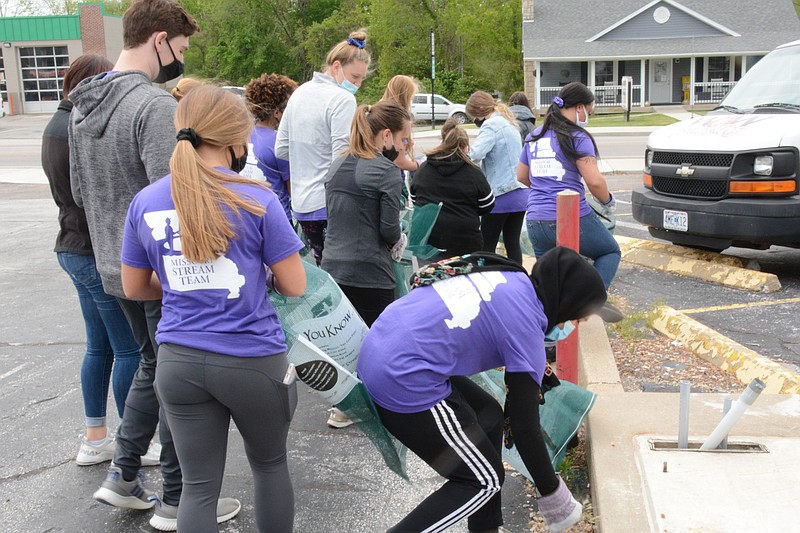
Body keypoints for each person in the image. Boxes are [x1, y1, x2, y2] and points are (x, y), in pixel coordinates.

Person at [68, 1, 238, 529]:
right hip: (163, 271)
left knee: (151, 365)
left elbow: (78, 191)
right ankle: (176, 499)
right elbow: (180, 198)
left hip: (113, 265)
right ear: (159, 40)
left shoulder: (81, 105)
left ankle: (122, 476)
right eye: (181, 50)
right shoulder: (152, 106)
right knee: (176, 379)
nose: (181, 60)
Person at [121, 84, 306, 533]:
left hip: (178, 361)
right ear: (235, 141)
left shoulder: (146, 201)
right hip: (251, 359)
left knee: (199, 488)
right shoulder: (256, 198)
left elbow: (134, 287)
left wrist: (186, 284)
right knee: (269, 467)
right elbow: (295, 285)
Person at [357, 246, 606, 533]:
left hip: (385, 343)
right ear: (567, 304)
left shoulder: (511, 278)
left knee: (489, 414)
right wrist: (555, 496)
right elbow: (525, 428)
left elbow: (512, 414)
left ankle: (484, 528)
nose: (573, 327)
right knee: (483, 481)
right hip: (401, 376)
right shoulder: (526, 327)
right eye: (577, 319)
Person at [42, 53, 160, 468]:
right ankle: (134, 439)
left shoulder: (59, 125)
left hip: (72, 247)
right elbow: (83, 194)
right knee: (129, 350)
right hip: (93, 251)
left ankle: (95, 436)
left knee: (100, 347)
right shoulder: (74, 127)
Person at [276, 29, 371, 266]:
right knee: (343, 275)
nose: (357, 85)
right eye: (355, 77)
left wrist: (307, 159)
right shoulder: (342, 99)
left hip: (301, 204)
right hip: (330, 204)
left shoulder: (299, 92)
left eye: (361, 79)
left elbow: (281, 149)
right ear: (336, 66)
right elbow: (342, 159)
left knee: (322, 268)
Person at [517, 81, 620, 290]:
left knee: (550, 280)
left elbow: (522, 176)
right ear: (579, 107)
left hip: (535, 218)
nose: (587, 117)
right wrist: (607, 201)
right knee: (609, 252)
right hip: (570, 216)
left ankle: (550, 318)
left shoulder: (533, 136)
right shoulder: (577, 137)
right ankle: (590, 302)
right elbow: (594, 181)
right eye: (588, 111)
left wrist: (543, 187)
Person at [323, 101, 410, 326]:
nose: (403, 148)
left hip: (333, 269)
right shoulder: (387, 170)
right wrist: (401, 240)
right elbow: (389, 230)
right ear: (387, 135)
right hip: (372, 275)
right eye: (403, 140)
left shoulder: (337, 163)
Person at [410, 118, 495, 258]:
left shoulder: (424, 169)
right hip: (466, 241)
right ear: (465, 147)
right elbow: (487, 204)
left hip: (428, 241)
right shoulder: (473, 172)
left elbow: (415, 200)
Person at [466, 90, 527, 265]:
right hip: (520, 194)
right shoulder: (509, 123)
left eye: (472, 117)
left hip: (501, 195)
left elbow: (475, 154)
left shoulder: (491, 126)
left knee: (486, 246)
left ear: (478, 112)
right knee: (512, 243)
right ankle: (518, 279)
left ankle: (488, 280)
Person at [242, 73, 298, 220]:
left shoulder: (242, 136)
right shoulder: (279, 143)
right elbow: (294, 190)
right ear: (278, 113)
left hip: (246, 217)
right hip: (276, 220)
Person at [380, 74, 420, 204]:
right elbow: (399, 161)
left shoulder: (378, 111)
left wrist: (406, 141)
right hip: (392, 180)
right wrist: (417, 165)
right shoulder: (396, 118)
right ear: (405, 96)